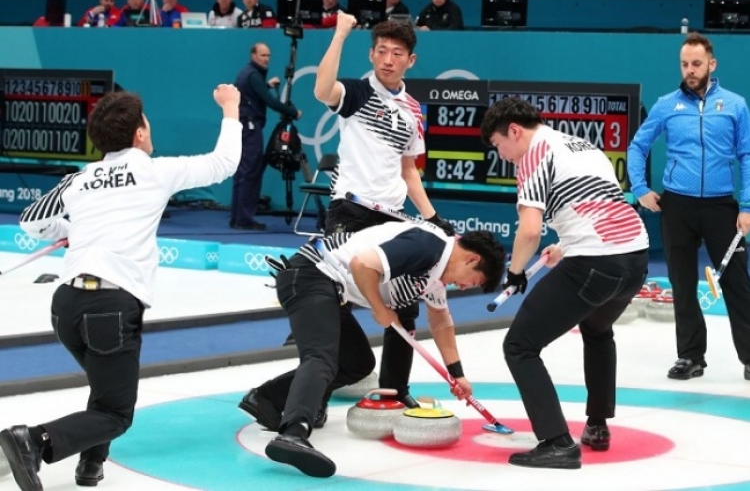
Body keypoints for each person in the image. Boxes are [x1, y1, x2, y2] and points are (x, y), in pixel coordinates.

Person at [0, 84, 242, 490]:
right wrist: (231, 108)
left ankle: (91, 463)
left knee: (106, 386)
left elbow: (31, 222)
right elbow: (224, 163)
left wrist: (72, 230)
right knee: (116, 411)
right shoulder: (154, 170)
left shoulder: (80, 179)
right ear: (140, 134)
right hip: (109, 307)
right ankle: (34, 440)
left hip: (66, 307)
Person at [241, 222, 505, 478]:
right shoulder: (428, 245)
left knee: (356, 363)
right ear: (471, 259)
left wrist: (456, 374)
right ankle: (293, 433)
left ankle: (267, 399)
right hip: (310, 274)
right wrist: (380, 308)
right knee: (322, 357)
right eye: (471, 282)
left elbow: (441, 320)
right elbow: (362, 264)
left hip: (330, 288)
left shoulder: (436, 272)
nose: (462, 287)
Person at [480, 97, 649, 469]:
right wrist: (566, 244)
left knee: (520, 345)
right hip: (636, 260)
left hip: (596, 263)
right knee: (597, 328)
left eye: (498, 146)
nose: (503, 155)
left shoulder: (532, 156)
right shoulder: (583, 145)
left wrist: (516, 272)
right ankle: (597, 425)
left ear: (513, 130)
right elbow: (599, 206)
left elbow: (528, 233)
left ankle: (557, 442)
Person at [312, 15, 455, 410]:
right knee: (328, 298)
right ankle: (316, 390)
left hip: (392, 217)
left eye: (397, 53)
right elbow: (322, 88)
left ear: (411, 59)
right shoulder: (358, 93)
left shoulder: (412, 109)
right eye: (381, 51)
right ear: (372, 53)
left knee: (406, 304)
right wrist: (340, 33)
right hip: (350, 211)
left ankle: (394, 389)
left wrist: (431, 216)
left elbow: (409, 171)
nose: (388, 59)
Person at [627, 32, 750, 382]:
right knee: (682, 284)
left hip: (721, 208)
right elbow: (638, 146)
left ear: (712, 64)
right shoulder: (667, 104)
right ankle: (691, 357)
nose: (690, 70)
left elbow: (747, 155)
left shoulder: (736, 104)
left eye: (696, 63)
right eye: (685, 64)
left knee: (738, 283)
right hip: (677, 206)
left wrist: (747, 205)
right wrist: (640, 189)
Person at [231, 42, 301, 231]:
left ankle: (237, 217)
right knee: (251, 171)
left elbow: (254, 93)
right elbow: (269, 101)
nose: (266, 59)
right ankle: (244, 219)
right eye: (263, 55)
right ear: (253, 55)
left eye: (268, 55)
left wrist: (266, 85)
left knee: (243, 171)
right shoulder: (253, 75)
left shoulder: (249, 74)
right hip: (250, 126)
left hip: (245, 125)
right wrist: (293, 112)